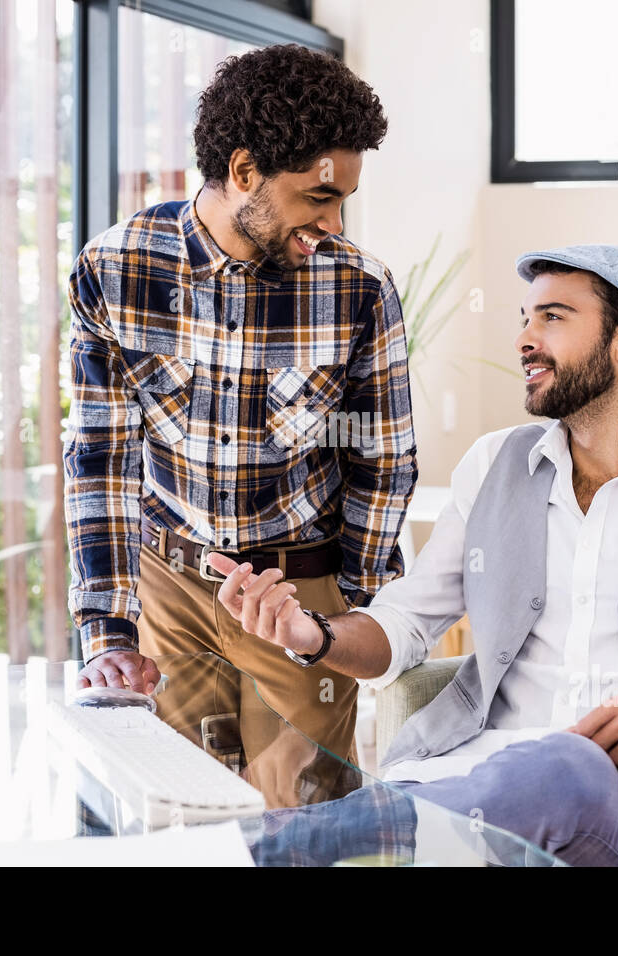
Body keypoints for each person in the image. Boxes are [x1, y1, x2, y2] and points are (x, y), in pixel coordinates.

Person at [206, 243, 618, 865]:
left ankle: (258, 849)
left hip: (597, 796)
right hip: (452, 776)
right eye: (525, 318)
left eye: (553, 317)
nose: (523, 339)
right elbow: (405, 625)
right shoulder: (495, 462)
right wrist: (310, 634)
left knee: (563, 762)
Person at [62, 44, 418, 803]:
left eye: (342, 202)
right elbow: (99, 460)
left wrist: (346, 620)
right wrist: (107, 630)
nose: (331, 222)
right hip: (170, 583)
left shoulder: (358, 288)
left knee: (306, 831)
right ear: (246, 170)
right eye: (316, 199)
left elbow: (383, 464)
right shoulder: (115, 269)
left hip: (297, 594)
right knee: (185, 819)